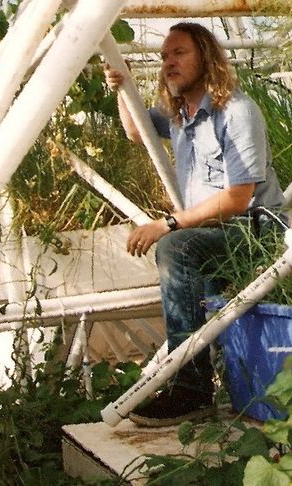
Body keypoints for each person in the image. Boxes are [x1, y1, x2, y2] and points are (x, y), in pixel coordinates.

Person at [104, 22, 287, 427]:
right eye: (165, 56)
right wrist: (123, 88)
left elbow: (238, 198)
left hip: (257, 229)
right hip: (217, 231)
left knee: (177, 247)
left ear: (205, 57)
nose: (168, 62)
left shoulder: (235, 111)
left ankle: (190, 391)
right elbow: (136, 130)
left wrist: (168, 224)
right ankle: (202, 380)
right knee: (189, 257)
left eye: (179, 53)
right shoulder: (179, 114)